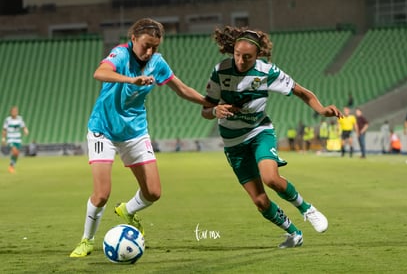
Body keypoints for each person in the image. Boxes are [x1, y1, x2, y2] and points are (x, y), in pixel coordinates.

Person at [70, 18, 213, 258]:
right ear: (133, 38)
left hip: (135, 132)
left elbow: (182, 89)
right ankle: (87, 239)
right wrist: (131, 79)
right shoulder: (120, 54)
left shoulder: (157, 63)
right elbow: (100, 73)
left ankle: (127, 210)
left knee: (154, 192)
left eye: (155, 47)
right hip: (103, 130)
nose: (150, 52)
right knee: (102, 193)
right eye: (146, 45)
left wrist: (212, 103)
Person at [201, 26, 342, 248]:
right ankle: (294, 234)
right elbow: (205, 110)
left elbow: (302, 92)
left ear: (258, 56)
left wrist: (322, 110)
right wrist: (215, 111)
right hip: (232, 142)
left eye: (247, 57)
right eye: (237, 54)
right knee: (260, 201)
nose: (240, 60)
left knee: (271, 178)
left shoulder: (267, 72)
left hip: (259, 132)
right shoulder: (220, 71)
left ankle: (307, 209)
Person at [2, 106, 29, 173]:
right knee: (15, 151)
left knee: (16, 154)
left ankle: (11, 166)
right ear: (11, 112)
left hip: (18, 139)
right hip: (10, 138)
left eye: (16, 111)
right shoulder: (7, 120)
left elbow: (23, 127)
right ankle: (11, 167)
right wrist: (3, 138)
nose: (15, 112)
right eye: (13, 111)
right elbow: (4, 130)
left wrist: (26, 130)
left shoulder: (20, 119)